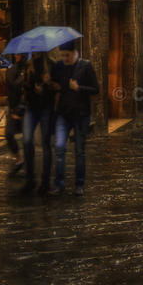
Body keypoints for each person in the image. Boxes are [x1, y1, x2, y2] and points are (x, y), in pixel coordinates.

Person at [50, 41, 99, 196]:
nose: (64, 58)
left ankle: (79, 185)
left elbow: (95, 89)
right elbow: (55, 83)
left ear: (74, 52)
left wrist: (79, 88)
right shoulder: (59, 67)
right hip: (63, 114)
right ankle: (59, 185)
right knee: (59, 148)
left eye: (67, 55)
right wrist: (51, 84)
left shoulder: (85, 66)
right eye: (62, 55)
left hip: (81, 115)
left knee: (79, 151)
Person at [20, 52, 58, 195]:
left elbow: (58, 87)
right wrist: (29, 87)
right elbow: (24, 87)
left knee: (45, 143)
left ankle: (45, 182)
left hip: (46, 108)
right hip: (31, 107)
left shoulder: (52, 65)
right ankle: (30, 180)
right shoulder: (28, 66)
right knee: (27, 140)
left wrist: (49, 84)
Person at [4, 53, 28, 176]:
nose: (16, 55)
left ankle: (29, 166)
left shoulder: (28, 69)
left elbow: (26, 91)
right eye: (16, 53)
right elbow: (11, 87)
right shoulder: (13, 68)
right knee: (8, 134)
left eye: (19, 53)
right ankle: (18, 159)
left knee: (27, 138)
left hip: (25, 109)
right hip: (13, 108)